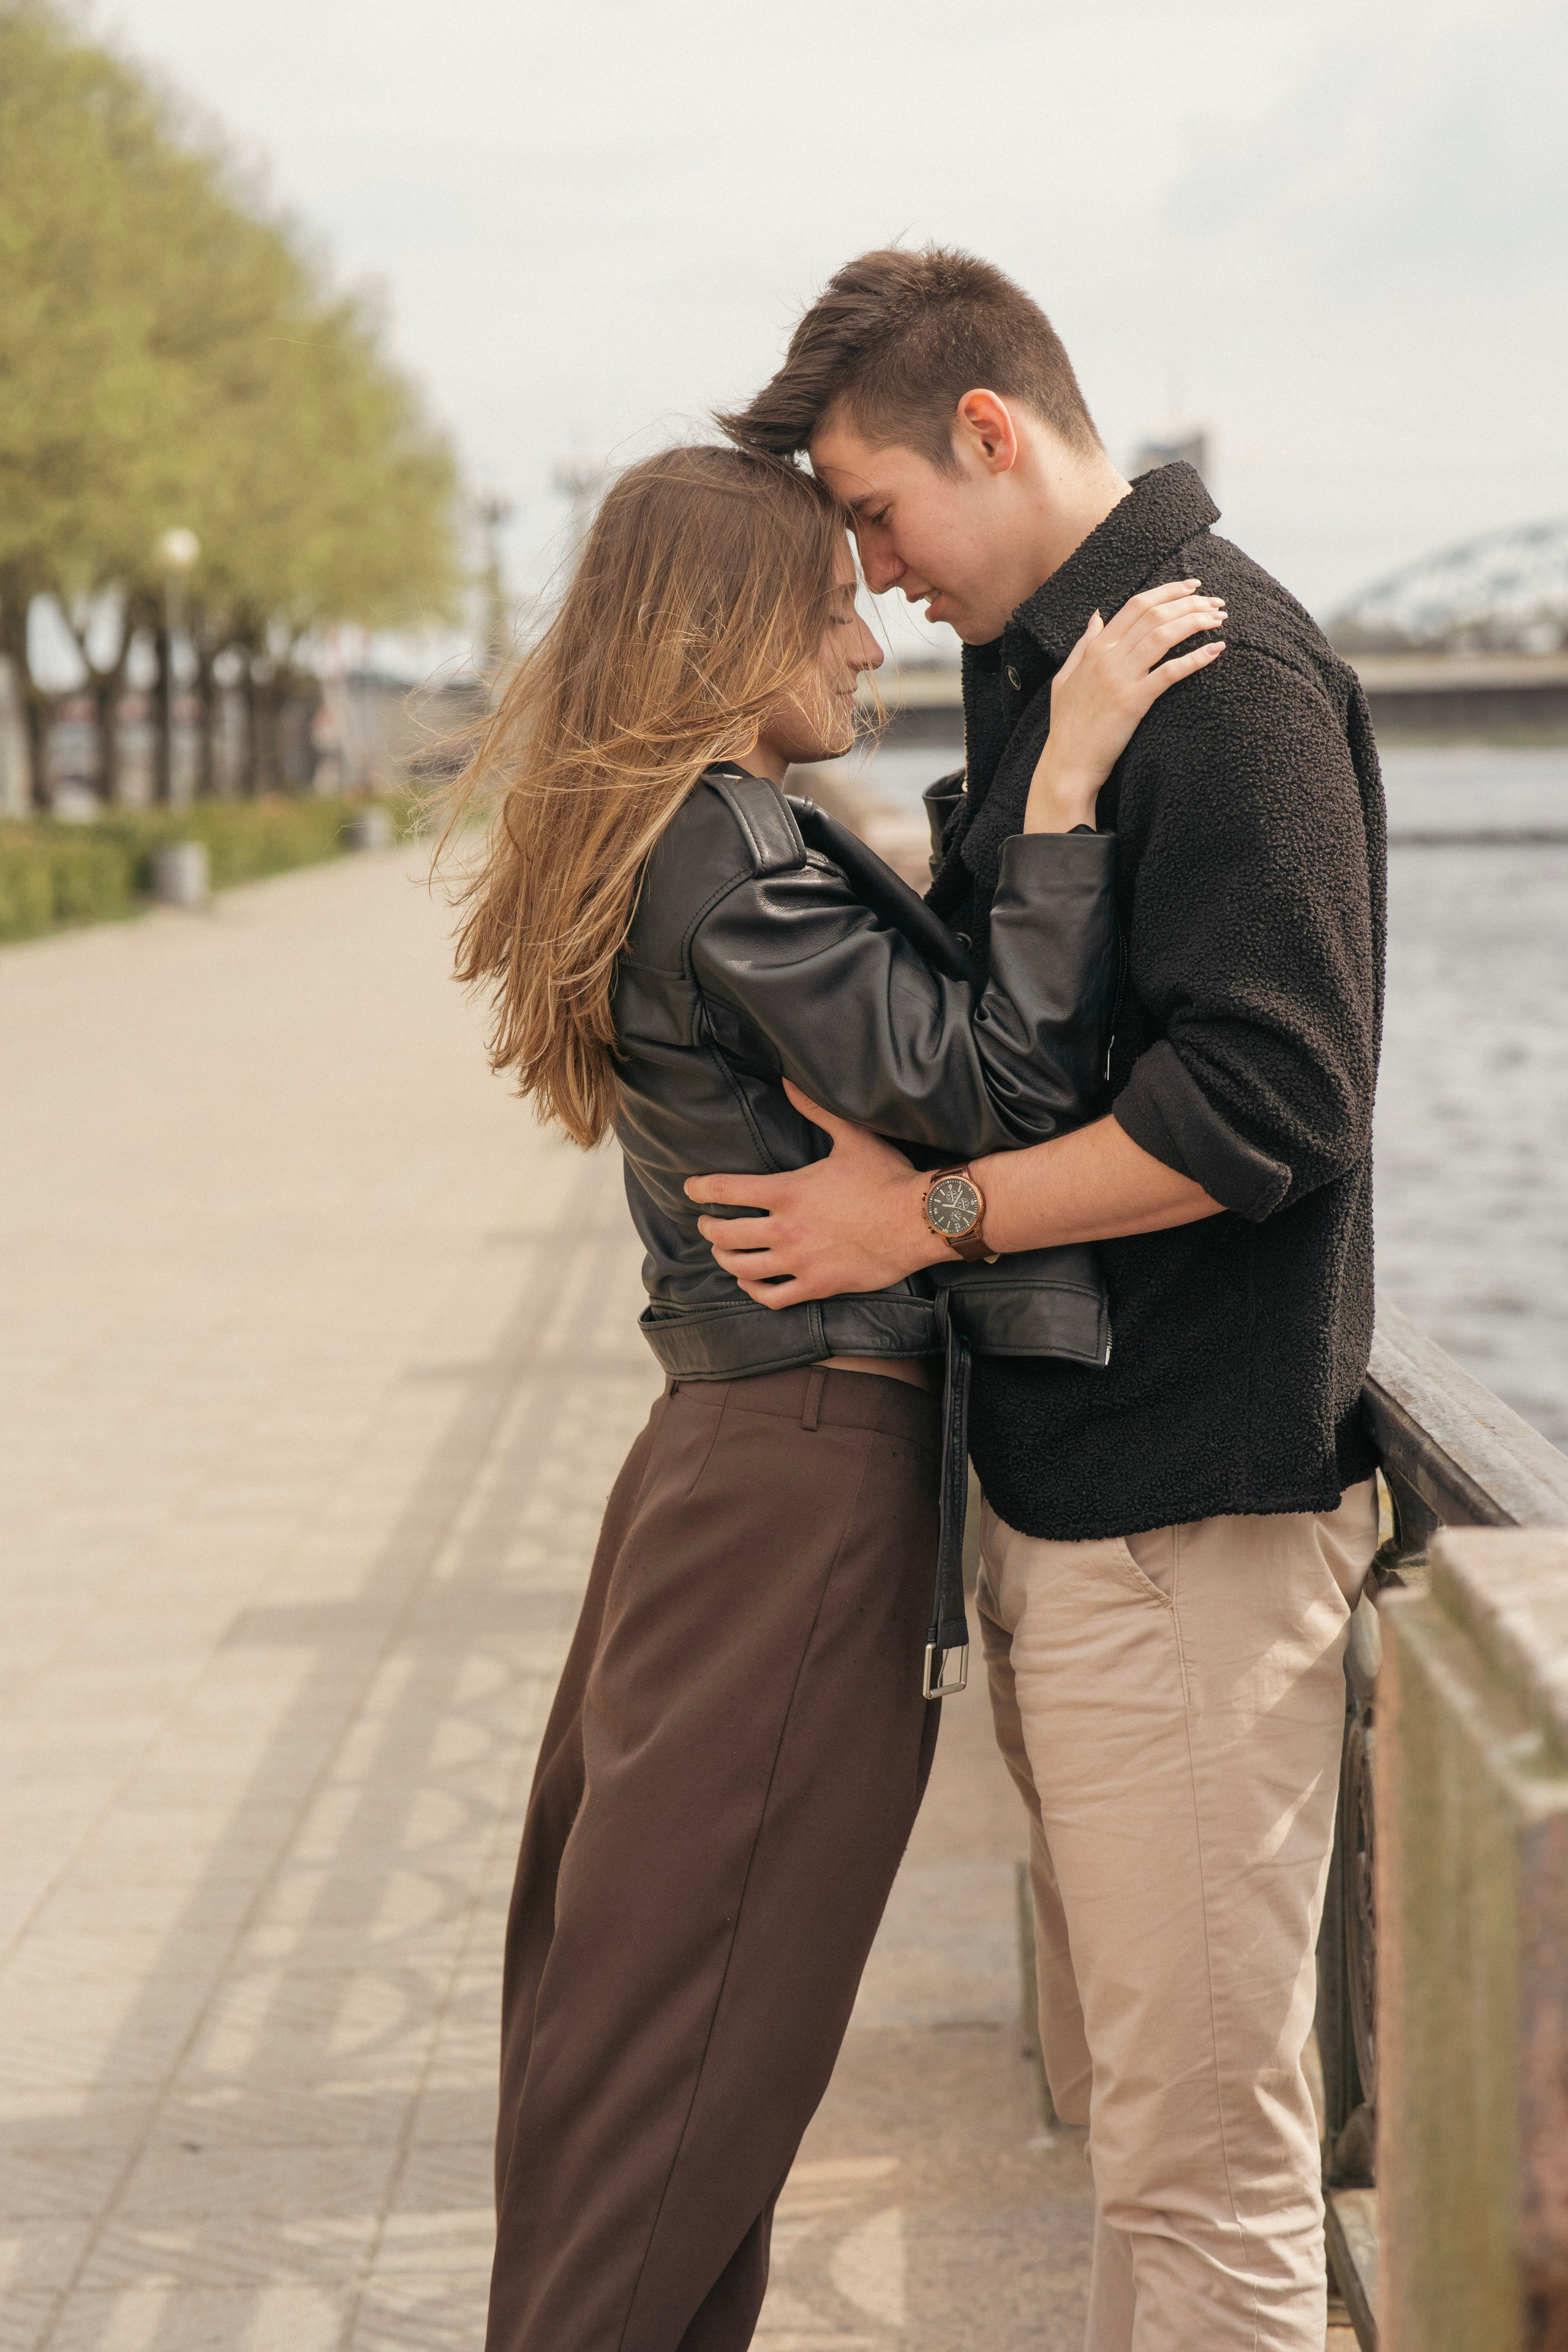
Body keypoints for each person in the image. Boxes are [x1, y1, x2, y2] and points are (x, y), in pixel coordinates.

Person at [440, 440, 1226, 2352]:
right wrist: (1055, 794)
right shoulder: (723, 843)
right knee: (672, 2073)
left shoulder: (700, 831)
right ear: (725, 621)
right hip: (798, 1472)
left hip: (741, 1459)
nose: (864, 625)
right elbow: (996, 1097)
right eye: (826, 586)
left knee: (649, 2055)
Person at [695, 248, 1387, 2352]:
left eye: (877, 509)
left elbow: (1273, 1101)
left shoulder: (1228, 677)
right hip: (1085, 1502)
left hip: (1189, 1518)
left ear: (990, 433)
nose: (871, 569)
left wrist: (933, 1223)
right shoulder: (1052, 675)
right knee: (1141, 2137)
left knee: (1207, 2162)